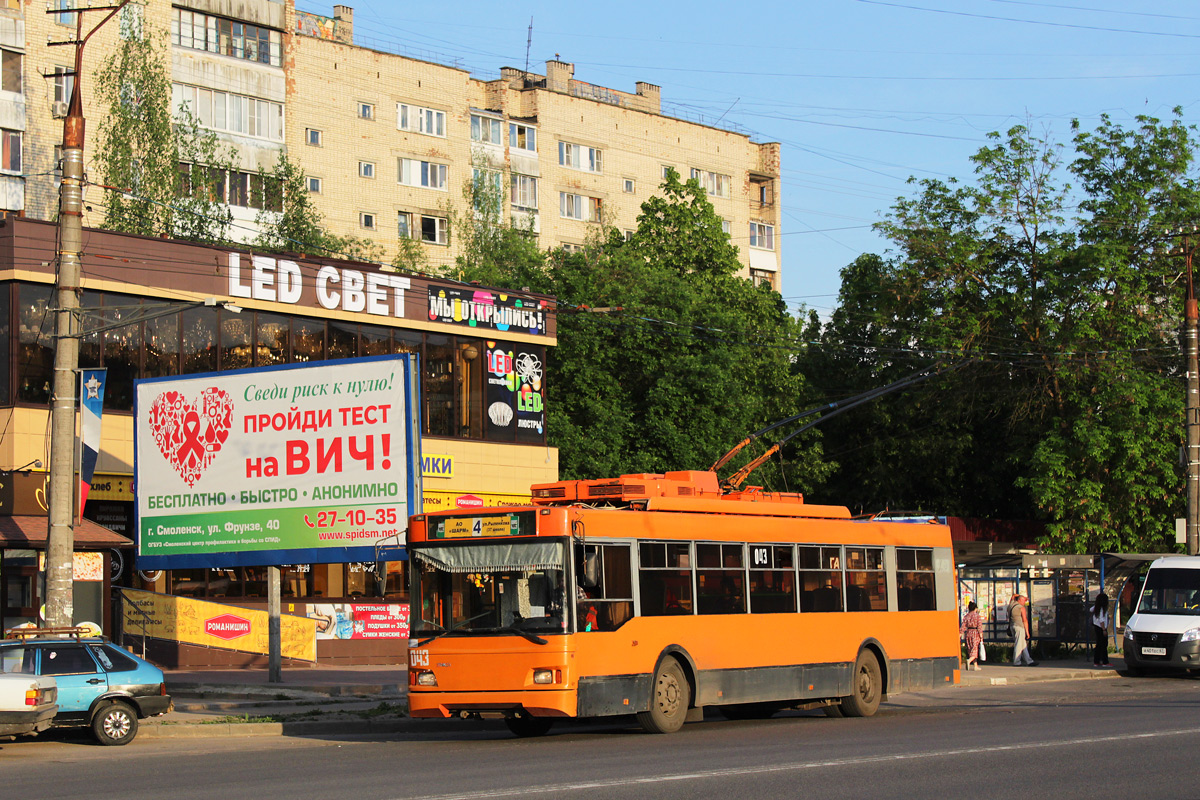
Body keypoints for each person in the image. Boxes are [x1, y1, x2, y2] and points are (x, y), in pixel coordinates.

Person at [1007, 594, 1037, 666]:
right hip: (1019, 627)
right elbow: (1025, 620)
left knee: (1023, 644)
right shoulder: (1021, 608)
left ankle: (1029, 661)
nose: (1024, 602)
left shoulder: (1011, 605)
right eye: (1023, 600)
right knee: (1019, 645)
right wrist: (1027, 632)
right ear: (1019, 600)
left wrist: (1021, 596)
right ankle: (1017, 661)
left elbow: (1013, 596)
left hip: (1012, 626)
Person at [960, 601, 984, 670]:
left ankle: (975, 666)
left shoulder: (966, 616)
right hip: (975, 633)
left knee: (971, 649)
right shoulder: (977, 616)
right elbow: (979, 627)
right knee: (975, 649)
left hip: (968, 633)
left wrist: (960, 633)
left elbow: (963, 626)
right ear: (975, 608)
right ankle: (969, 660)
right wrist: (981, 636)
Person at [1091, 591, 1111, 667]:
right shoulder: (1102, 609)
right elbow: (1101, 620)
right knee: (1104, 645)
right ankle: (1105, 662)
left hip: (1096, 627)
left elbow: (1090, 609)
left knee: (1099, 645)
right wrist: (1104, 630)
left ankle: (1097, 661)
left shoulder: (1096, 608)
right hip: (1101, 628)